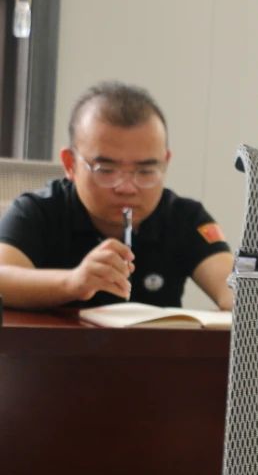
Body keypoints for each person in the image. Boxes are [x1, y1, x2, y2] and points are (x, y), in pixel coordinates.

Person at [0, 81, 233, 311]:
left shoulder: (184, 217)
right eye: (106, 170)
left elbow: (235, 291)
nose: (127, 188)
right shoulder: (37, 211)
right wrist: (73, 282)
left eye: (146, 171)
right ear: (70, 164)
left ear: (165, 163)